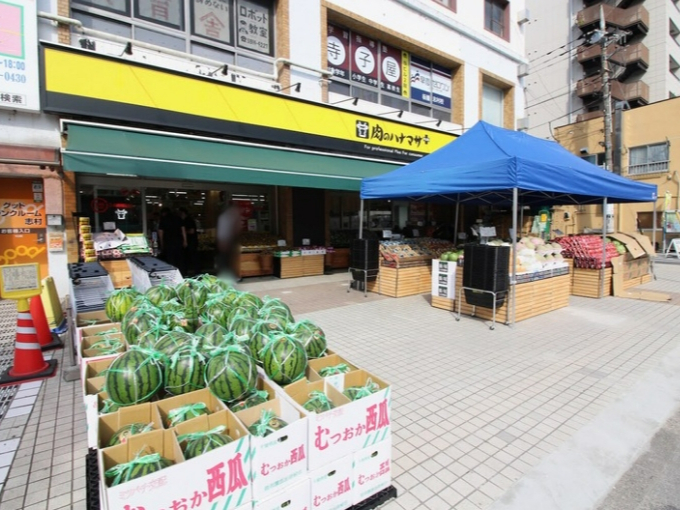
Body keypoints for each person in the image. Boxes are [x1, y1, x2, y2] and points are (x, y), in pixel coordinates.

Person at [216, 203, 241, 281]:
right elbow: (223, 231)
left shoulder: (227, 217)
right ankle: (225, 276)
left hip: (229, 242)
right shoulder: (225, 218)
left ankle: (230, 276)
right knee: (226, 260)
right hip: (225, 242)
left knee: (229, 260)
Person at [179, 207, 199, 276]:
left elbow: (192, 231)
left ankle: (196, 273)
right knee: (191, 258)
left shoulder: (188, 220)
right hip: (191, 242)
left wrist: (183, 232)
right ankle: (195, 272)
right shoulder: (186, 220)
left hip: (191, 242)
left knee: (193, 258)